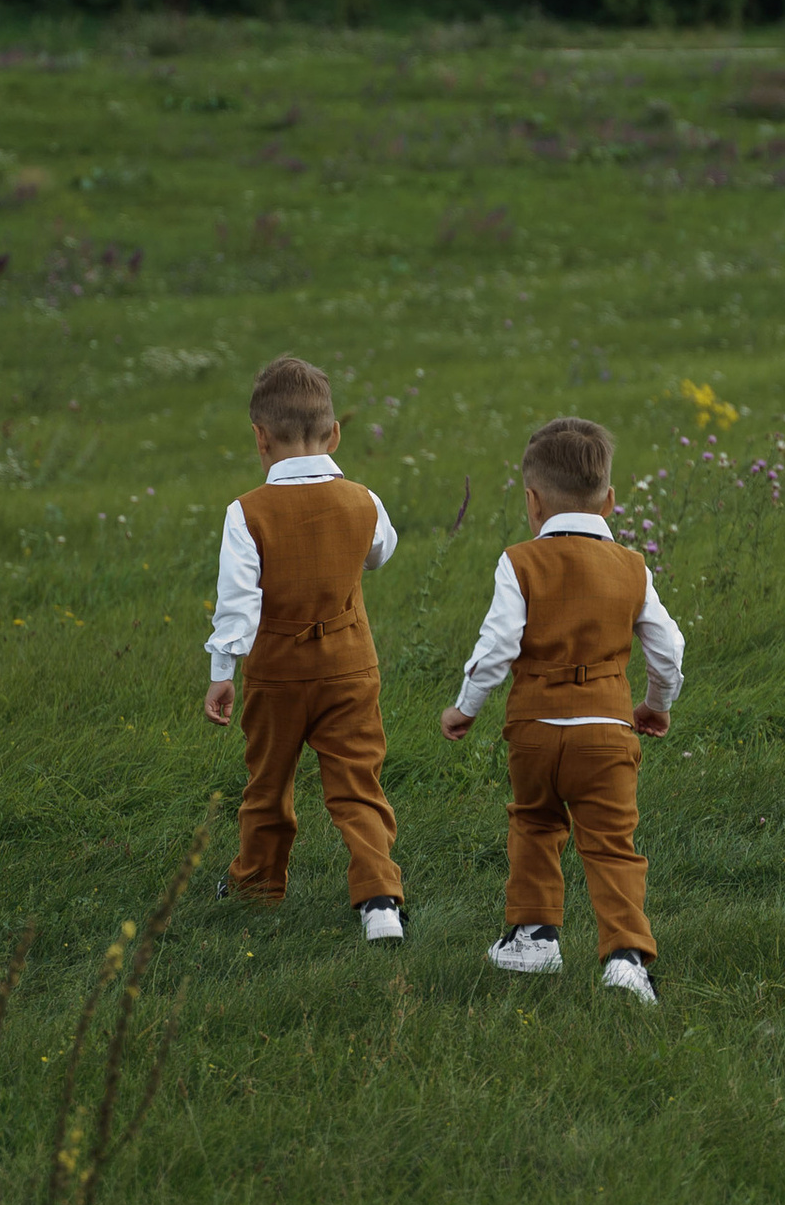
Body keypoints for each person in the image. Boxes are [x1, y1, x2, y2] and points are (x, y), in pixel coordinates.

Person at [440, 412, 685, 1002]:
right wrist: (655, 704)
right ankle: (626, 957)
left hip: (535, 731)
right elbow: (669, 648)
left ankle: (534, 937)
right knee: (610, 843)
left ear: (532, 501)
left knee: (535, 820)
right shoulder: (632, 566)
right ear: (610, 500)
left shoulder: (519, 562)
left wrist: (466, 708)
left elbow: (496, 646)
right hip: (607, 729)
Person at [203, 353, 405, 942]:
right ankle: (380, 900)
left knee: (268, 782)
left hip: (278, 674)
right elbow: (380, 553)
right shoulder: (363, 500)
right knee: (357, 783)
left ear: (260, 438)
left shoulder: (247, 513)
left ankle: (258, 885)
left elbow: (237, 603)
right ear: (335, 433)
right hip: (350, 668)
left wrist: (223, 671)